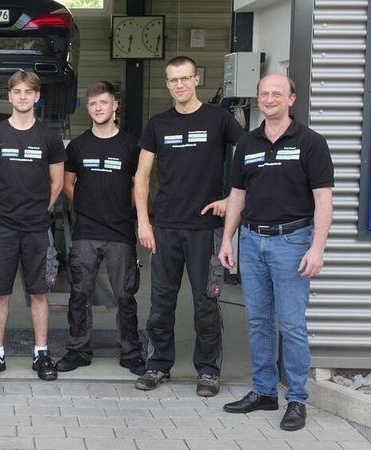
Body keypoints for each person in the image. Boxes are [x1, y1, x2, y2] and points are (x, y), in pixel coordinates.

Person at [219, 73, 333, 431]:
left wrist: (317, 247)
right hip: (252, 242)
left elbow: (323, 199)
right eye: (264, 93)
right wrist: (228, 239)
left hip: (293, 242)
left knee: (292, 324)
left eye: (277, 94)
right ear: (258, 98)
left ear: (291, 100)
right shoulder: (247, 143)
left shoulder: (311, 143)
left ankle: (296, 399)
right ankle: (265, 391)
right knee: (257, 321)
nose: (269, 99)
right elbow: (237, 195)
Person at [134, 56, 244, 396]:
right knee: (161, 302)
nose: (179, 85)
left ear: (197, 79)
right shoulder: (158, 124)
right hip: (165, 228)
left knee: (205, 302)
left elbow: (249, 153)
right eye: (172, 80)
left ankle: (208, 371)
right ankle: (157, 366)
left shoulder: (219, 119)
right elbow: (141, 176)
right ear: (167, 84)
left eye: (184, 78)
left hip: (205, 230)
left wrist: (231, 197)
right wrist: (143, 221)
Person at [0, 70, 66, 381]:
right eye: (18, 91)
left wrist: (42, 210)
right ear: (9, 96)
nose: (23, 96)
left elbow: (57, 182)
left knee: (38, 293)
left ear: (37, 97)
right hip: (4, 227)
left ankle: (41, 353)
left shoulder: (49, 137)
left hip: (37, 228)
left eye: (29, 91)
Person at [57, 81, 145, 376]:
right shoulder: (79, 146)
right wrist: (87, 204)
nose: (98, 108)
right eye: (93, 104)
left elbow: (139, 184)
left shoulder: (131, 145)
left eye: (103, 103)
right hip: (86, 232)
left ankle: (131, 352)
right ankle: (78, 350)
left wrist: (123, 206)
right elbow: (68, 185)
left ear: (114, 106)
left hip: (120, 232)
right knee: (80, 294)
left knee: (124, 296)